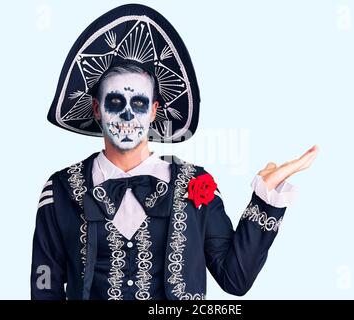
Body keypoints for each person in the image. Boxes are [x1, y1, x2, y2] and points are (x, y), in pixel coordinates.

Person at [31, 4, 318, 300]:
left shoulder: (196, 184)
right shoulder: (61, 189)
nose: (128, 116)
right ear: (97, 108)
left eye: (140, 104)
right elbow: (45, 287)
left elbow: (236, 279)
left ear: (154, 111)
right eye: (115, 103)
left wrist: (266, 196)